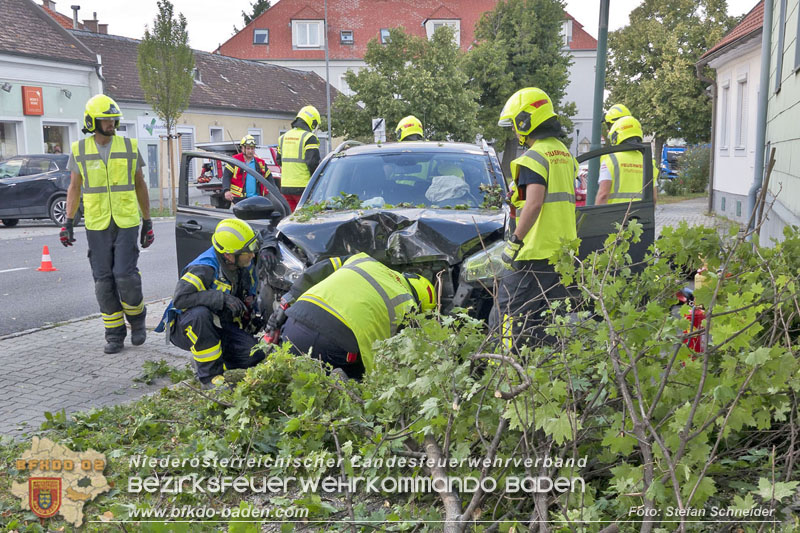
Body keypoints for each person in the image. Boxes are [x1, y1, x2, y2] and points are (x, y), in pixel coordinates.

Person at [60, 94, 153, 354]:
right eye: (106, 120)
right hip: (97, 223)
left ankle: (137, 319)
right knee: (103, 281)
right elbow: (74, 188)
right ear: (92, 122)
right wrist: (68, 222)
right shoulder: (79, 149)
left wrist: (148, 222)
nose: (112, 124)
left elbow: (140, 185)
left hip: (125, 221)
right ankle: (114, 334)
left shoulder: (129, 145)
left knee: (124, 275)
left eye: (114, 119)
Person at [494, 87, 578, 349]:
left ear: (525, 120)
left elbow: (534, 204)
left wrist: (514, 242)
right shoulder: (563, 153)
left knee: (506, 312)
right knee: (549, 317)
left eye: (514, 125)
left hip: (534, 251)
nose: (514, 131)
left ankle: (506, 369)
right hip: (562, 251)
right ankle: (545, 369)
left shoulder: (533, 157)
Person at [265, 253, 436, 380]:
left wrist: (287, 300)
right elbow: (391, 362)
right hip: (337, 346)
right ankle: (342, 388)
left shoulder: (364, 260)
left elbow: (320, 268)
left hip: (295, 321)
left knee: (286, 383)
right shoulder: (409, 305)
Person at [156, 218, 280, 388]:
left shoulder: (241, 253)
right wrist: (221, 298)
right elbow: (180, 299)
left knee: (255, 355)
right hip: (186, 326)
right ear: (229, 255)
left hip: (220, 324)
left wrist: (268, 248)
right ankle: (209, 377)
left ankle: (211, 360)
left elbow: (267, 232)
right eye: (249, 252)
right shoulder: (205, 268)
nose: (253, 255)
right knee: (200, 314)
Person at [595, 116, 658, 205]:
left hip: (614, 216)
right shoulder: (649, 162)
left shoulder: (611, 159)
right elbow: (654, 197)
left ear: (616, 136)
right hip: (641, 216)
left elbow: (603, 195)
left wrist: (596, 218)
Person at [277, 105, 321, 211]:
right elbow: (313, 163)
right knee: (305, 219)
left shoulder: (283, 137)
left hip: (285, 187)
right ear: (312, 122)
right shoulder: (309, 138)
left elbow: (279, 160)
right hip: (303, 188)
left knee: (291, 219)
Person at [222, 135, 272, 203]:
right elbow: (226, 176)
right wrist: (226, 190)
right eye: (248, 148)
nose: (250, 151)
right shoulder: (235, 160)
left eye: (252, 148)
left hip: (257, 198)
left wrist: (275, 191)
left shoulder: (260, 163)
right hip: (239, 199)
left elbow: (269, 177)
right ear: (242, 148)